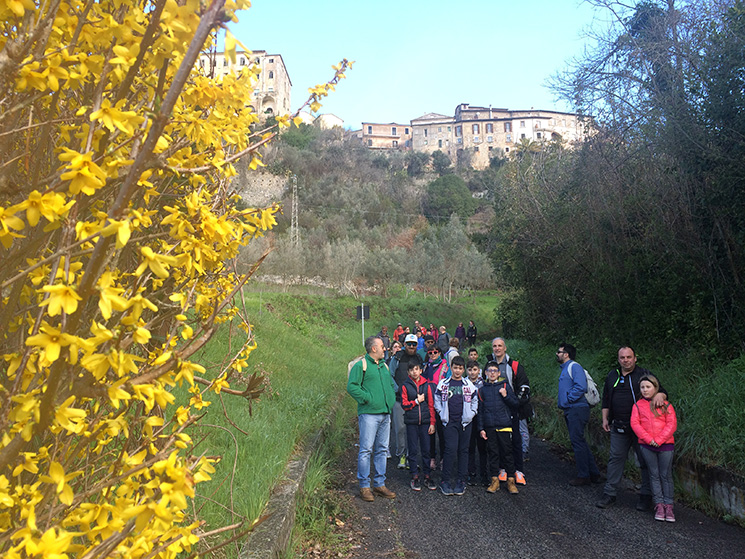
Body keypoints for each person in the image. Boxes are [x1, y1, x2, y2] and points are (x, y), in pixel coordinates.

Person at [597, 346, 668, 511]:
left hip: (643, 428)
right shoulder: (612, 375)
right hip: (619, 425)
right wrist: (605, 418)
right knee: (615, 459)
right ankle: (610, 493)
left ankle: (646, 496)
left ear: (635, 358)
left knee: (644, 461)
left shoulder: (644, 375)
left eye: (629, 357)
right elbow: (606, 399)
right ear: (618, 359)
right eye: (622, 358)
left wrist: (659, 395)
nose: (626, 360)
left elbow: (662, 391)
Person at [347, 336, 397, 502]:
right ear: (373, 348)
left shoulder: (384, 366)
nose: (385, 349)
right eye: (382, 346)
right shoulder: (361, 365)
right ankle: (364, 486)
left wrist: (390, 400)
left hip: (384, 413)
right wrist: (367, 398)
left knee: (382, 449)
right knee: (366, 449)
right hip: (369, 414)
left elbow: (390, 384)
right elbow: (352, 387)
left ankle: (380, 484)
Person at [630, 374, 677, 522]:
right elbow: (635, 424)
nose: (645, 390)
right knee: (654, 474)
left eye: (648, 387)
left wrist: (659, 440)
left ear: (655, 388)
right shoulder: (637, 405)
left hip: (665, 445)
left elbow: (671, 424)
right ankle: (659, 504)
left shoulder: (666, 405)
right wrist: (649, 440)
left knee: (666, 475)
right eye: (642, 387)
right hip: (647, 444)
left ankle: (669, 505)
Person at [556, 342, 601, 486]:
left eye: (559, 352)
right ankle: (594, 473)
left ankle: (584, 475)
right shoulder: (566, 368)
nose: (557, 354)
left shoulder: (574, 367)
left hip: (576, 408)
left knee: (577, 441)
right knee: (579, 440)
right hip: (572, 409)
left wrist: (569, 398)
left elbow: (580, 386)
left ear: (566, 354)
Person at [434, 356, 478, 496]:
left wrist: (471, 414)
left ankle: (461, 480)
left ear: (463, 369)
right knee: (450, 449)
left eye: (460, 368)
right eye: (455, 368)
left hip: (465, 422)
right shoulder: (443, 384)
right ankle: (445, 480)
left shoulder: (468, 385)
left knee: (463, 450)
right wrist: (441, 413)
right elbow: (437, 399)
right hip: (450, 422)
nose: (457, 371)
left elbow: (475, 400)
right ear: (451, 368)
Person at [488, 338, 530, 485]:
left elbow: (524, 387)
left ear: (505, 348)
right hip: (496, 410)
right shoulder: (488, 365)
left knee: (516, 439)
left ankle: (518, 470)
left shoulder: (515, 366)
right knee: (500, 441)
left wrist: (517, 404)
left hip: (513, 408)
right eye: (494, 346)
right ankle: (502, 469)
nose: (497, 348)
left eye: (500, 346)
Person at [478, 360, 520, 494]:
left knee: (507, 454)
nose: (492, 373)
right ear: (485, 373)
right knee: (493, 454)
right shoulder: (482, 390)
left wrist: (506, 396)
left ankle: (511, 481)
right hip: (490, 426)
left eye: (494, 371)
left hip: (504, 425)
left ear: (499, 373)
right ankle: (494, 481)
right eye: (489, 371)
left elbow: (515, 404)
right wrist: (481, 428)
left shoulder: (505, 386)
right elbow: (480, 411)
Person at [401, 361, 437, 491]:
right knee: (413, 449)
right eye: (411, 370)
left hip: (425, 422)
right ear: (408, 372)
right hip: (412, 422)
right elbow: (404, 404)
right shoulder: (405, 386)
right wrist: (416, 401)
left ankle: (427, 475)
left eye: (417, 369)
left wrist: (432, 423)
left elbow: (431, 404)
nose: (414, 372)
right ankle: (414, 476)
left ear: (421, 371)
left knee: (426, 449)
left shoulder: (426, 385)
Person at [388, 334, 423, 469]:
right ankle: (401, 454)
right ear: (405, 344)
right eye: (409, 344)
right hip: (399, 400)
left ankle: (411, 456)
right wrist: (398, 389)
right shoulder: (397, 357)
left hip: (415, 400)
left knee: (413, 429)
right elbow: (390, 375)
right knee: (400, 428)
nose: (412, 346)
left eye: (414, 344)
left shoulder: (418, 358)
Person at [422, 345, 450, 471]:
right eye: (430, 352)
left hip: (443, 404)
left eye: (435, 352)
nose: (433, 354)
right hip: (429, 404)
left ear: (439, 353)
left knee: (443, 433)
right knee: (430, 432)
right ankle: (432, 457)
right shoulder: (426, 366)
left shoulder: (446, 367)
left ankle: (444, 458)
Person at [466, 359, 488, 486]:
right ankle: (471, 473)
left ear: (479, 371)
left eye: (475, 370)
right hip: (469, 418)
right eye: (470, 370)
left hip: (481, 418)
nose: (472, 372)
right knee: (470, 447)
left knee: (483, 447)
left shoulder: (483, 384)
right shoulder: (464, 383)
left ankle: (484, 474)